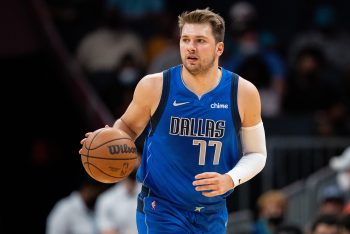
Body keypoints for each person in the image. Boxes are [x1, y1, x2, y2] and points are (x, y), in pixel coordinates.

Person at [80, 8, 267, 233]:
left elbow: (256, 153)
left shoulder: (242, 92)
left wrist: (231, 178)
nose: (190, 47)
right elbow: (128, 127)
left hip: (212, 211)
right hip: (161, 208)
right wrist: (106, 140)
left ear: (219, 48)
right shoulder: (155, 86)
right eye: (185, 40)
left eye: (200, 41)